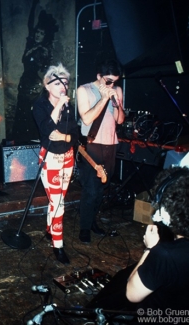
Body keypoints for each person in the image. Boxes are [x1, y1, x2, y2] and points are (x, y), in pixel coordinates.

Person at [87, 167, 189, 316]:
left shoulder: (164, 255)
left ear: (168, 214)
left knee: (121, 287)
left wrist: (150, 249)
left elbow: (131, 294)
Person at [32, 63, 78, 265]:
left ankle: (50, 229)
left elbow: (74, 134)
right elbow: (48, 131)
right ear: (47, 85)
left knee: (58, 200)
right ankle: (57, 245)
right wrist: (58, 105)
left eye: (65, 83)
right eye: (58, 82)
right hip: (50, 158)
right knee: (59, 204)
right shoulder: (39, 105)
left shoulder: (69, 106)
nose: (63, 86)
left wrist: (66, 138)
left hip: (67, 157)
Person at [76, 59, 125, 243]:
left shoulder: (117, 90)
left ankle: (93, 222)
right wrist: (104, 98)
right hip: (92, 145)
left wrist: (117, 104)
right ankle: (84, 229)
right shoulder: (84, 90)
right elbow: (87, 119)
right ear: (99, 76)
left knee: (102, 188)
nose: (112, 85)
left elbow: (120, 120)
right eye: (108, 81)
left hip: (111, 144)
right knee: (91, 190)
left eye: (115, 81)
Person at [11, 0, 57, 143]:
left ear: (45, 36)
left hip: (34, 89)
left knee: (30, 116)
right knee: (21, 115)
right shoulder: (30, 43)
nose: (38, 34)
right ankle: (20, 143)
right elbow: (30, 25)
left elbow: (44, 72)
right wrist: (34, 6)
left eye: (41, 33)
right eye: (38, 32)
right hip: (24, 85)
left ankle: (30, 143)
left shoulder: (43, 51)